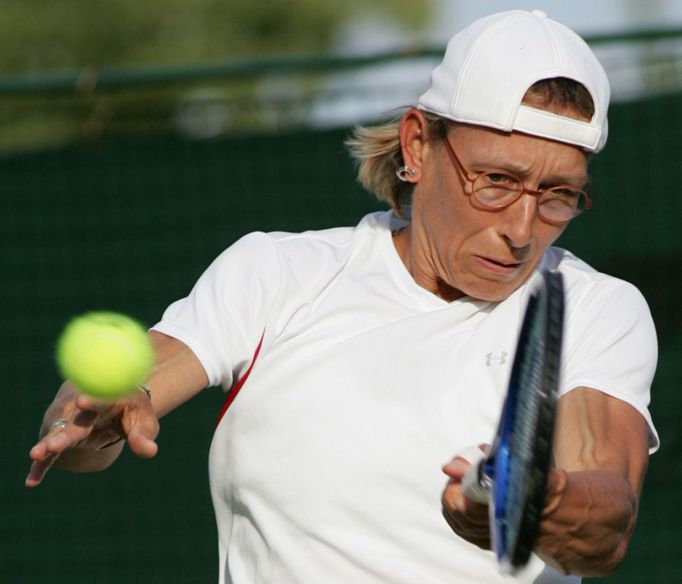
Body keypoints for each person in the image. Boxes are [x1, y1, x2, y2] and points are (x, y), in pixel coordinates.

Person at [26, 9, 658, 584]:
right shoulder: (276, 273)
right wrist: (88, 418)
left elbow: (605, 524)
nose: (522, 230)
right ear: (417, 145)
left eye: (557, 195)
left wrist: (538, 502)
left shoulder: (599, 308)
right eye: (496, 181)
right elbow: (122, 398)